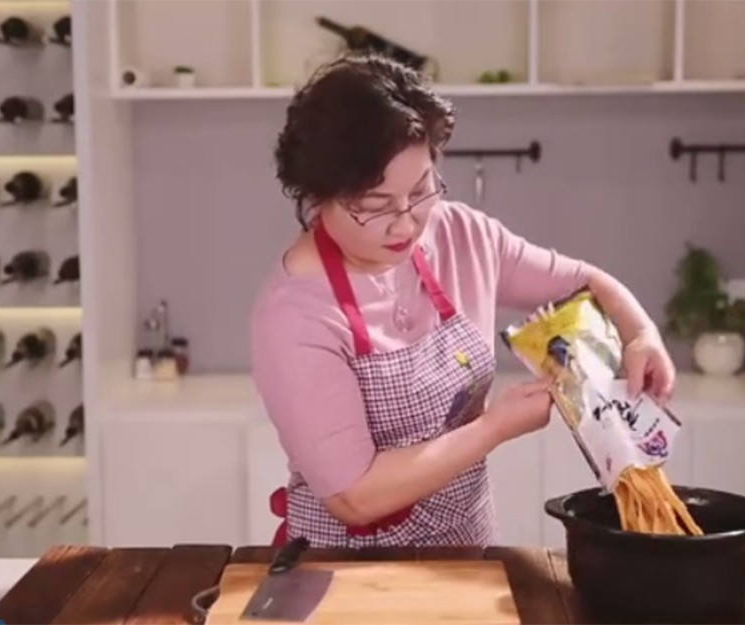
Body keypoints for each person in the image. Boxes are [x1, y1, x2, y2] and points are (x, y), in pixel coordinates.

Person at [250, 53, 677, 549]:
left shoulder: (460, 235)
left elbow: (583, 283)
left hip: (467, 550)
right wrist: (494, 427)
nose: (406, 222)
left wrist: (640, 333)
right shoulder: (296, 314)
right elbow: (355, 497)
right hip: (348, 570)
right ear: (318, 196)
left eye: (421, 190)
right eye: (374, 206)